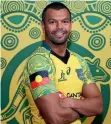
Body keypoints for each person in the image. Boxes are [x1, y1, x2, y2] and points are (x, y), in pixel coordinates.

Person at [23, 2, 103, 124]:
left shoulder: (79, 60)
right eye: (52, 22)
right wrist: (84, 107)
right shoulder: (38, 62)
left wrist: (71, 102)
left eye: (65, 21)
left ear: (70, 25)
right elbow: (56, 118)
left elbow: (98, 106)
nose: (59, 27)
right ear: (43, 26)